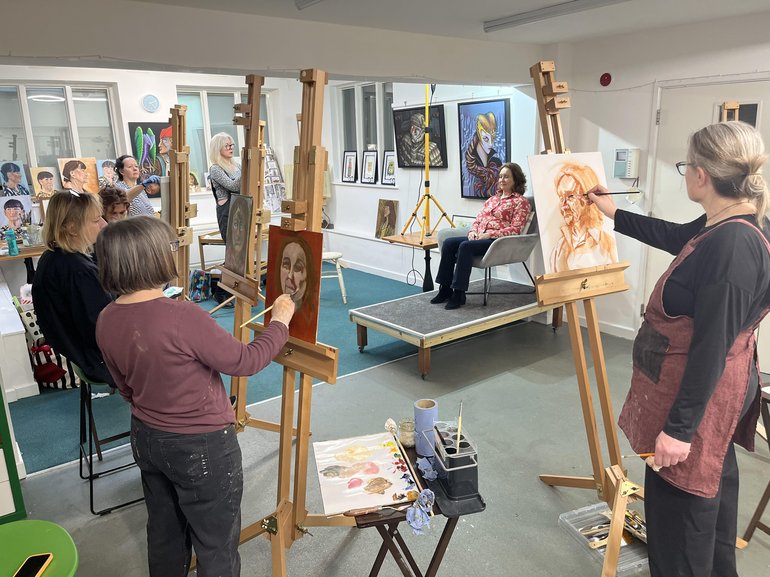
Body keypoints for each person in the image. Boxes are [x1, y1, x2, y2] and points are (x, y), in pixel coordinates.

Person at [588, 121, 770, 577]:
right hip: (714, 398)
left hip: (698, 405)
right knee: (710, 506)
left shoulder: (732, 246)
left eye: (686, 165)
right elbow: (676, 237)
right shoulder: (732, 222)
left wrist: (679, 432)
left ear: (702, 175)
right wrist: (614, 213)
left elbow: (712, 347)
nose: (684, 173)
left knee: (680, 531)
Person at [94, 216, 295, 577]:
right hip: (201, 446)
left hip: (146, 436)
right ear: (153, 258)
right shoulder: (181, 315)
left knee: (165, 534)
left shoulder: (106, 317)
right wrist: (279, 322)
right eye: (171, 247)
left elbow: (124, 387)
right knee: (215, 544)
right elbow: (245, 361)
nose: (175, 253)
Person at [31, 191, 113, 386]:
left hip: (77, 351)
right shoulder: (78, 270)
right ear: (72, 227)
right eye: (95, 220)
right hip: (96, 359)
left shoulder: (53, 257)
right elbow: (104, 326)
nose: (104, 224)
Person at [551, 162, 617, 272]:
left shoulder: (607, 244)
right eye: (561, 197)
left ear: (588, 199)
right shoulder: (559, 250)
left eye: (570, 196)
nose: (564, 206)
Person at [208, 132, 241, 304]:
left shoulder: (236, 165)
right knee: (232, 254)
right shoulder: (215, 168)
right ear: (217, 148)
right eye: (226, 145)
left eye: (231, 145)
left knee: (239, 253)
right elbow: (234, 186)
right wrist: (250, 169)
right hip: (227, 212)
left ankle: (231, 289)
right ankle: (221, 291)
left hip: (240, 210)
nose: (230, 148)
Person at [465, 112, 502, 198]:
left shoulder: (496, 162)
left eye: (492, 139)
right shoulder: (471, 162)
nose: (490, 144)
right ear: (478, 135)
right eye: (486, 138)